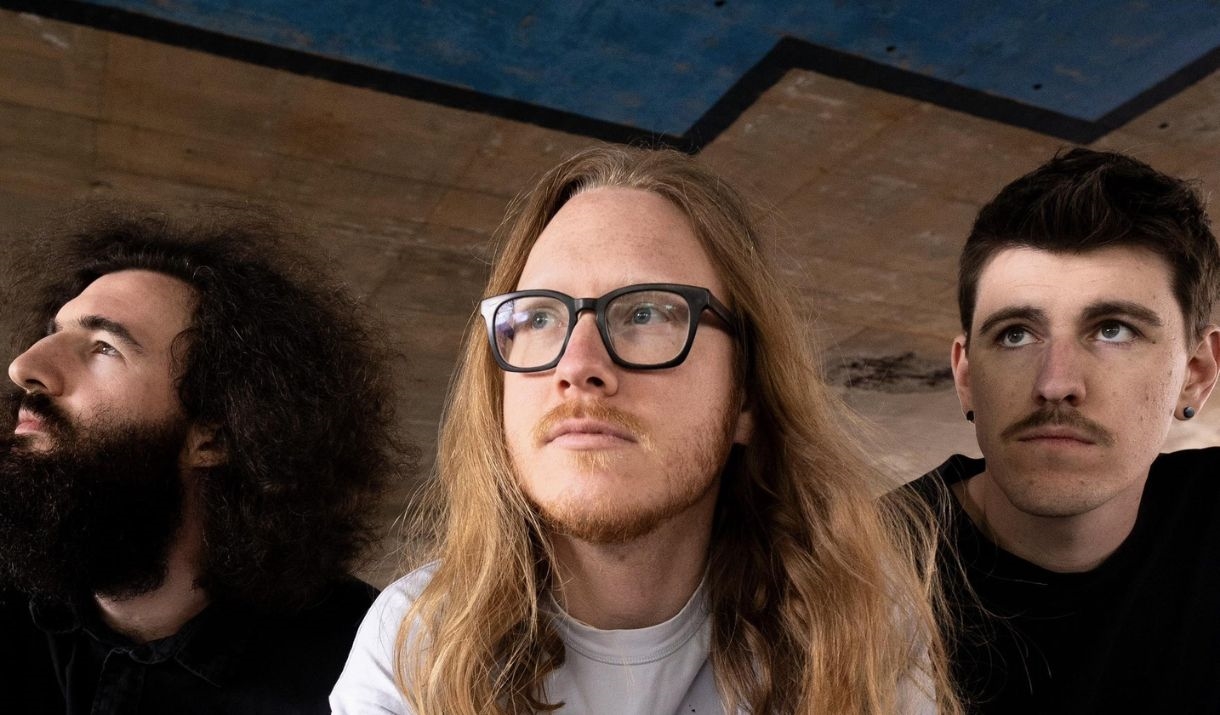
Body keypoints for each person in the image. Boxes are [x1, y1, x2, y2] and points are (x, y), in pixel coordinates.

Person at [331, 145, 961, 714]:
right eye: (539, 317)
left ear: (746, 395)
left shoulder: (860, 635)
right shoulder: (416, 650)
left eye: (647, 312)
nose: (577, 366)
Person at [0, 209, 411, 714]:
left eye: (104, 348)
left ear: (214, 436)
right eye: (52, 332)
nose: (24, 367)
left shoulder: (371, 667)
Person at [912, 148, 1220, 713]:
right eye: (1015, 334)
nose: (1056, 383)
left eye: (1113, 330)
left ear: (1195, 374)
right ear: (966, 377)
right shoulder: (849, 574)